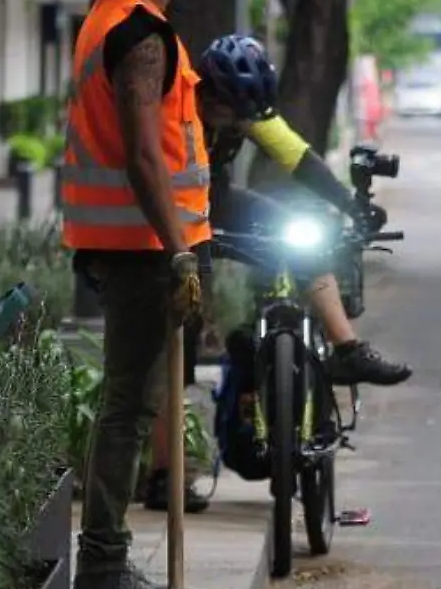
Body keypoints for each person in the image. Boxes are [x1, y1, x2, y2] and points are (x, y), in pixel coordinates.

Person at [140, 33, 412, 514]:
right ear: (206, 93)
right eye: (230, 112)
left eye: (248, 114)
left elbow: (297, 158)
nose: (239, 123)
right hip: (174, 218)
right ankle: (166, 475)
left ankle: (347, 349)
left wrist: (350, 206)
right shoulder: (172, 110)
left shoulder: (247, 112)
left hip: (218, 201)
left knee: (306, 244)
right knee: (178, 352)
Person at [60, 0, 213, 589]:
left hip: (121, 244)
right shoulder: (142, 37)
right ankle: (103, 569)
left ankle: (106, 563)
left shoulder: (103, 16)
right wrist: (180, 252)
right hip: (144, 248)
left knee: (132, 401)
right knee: (127, 406)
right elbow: (145, 155)